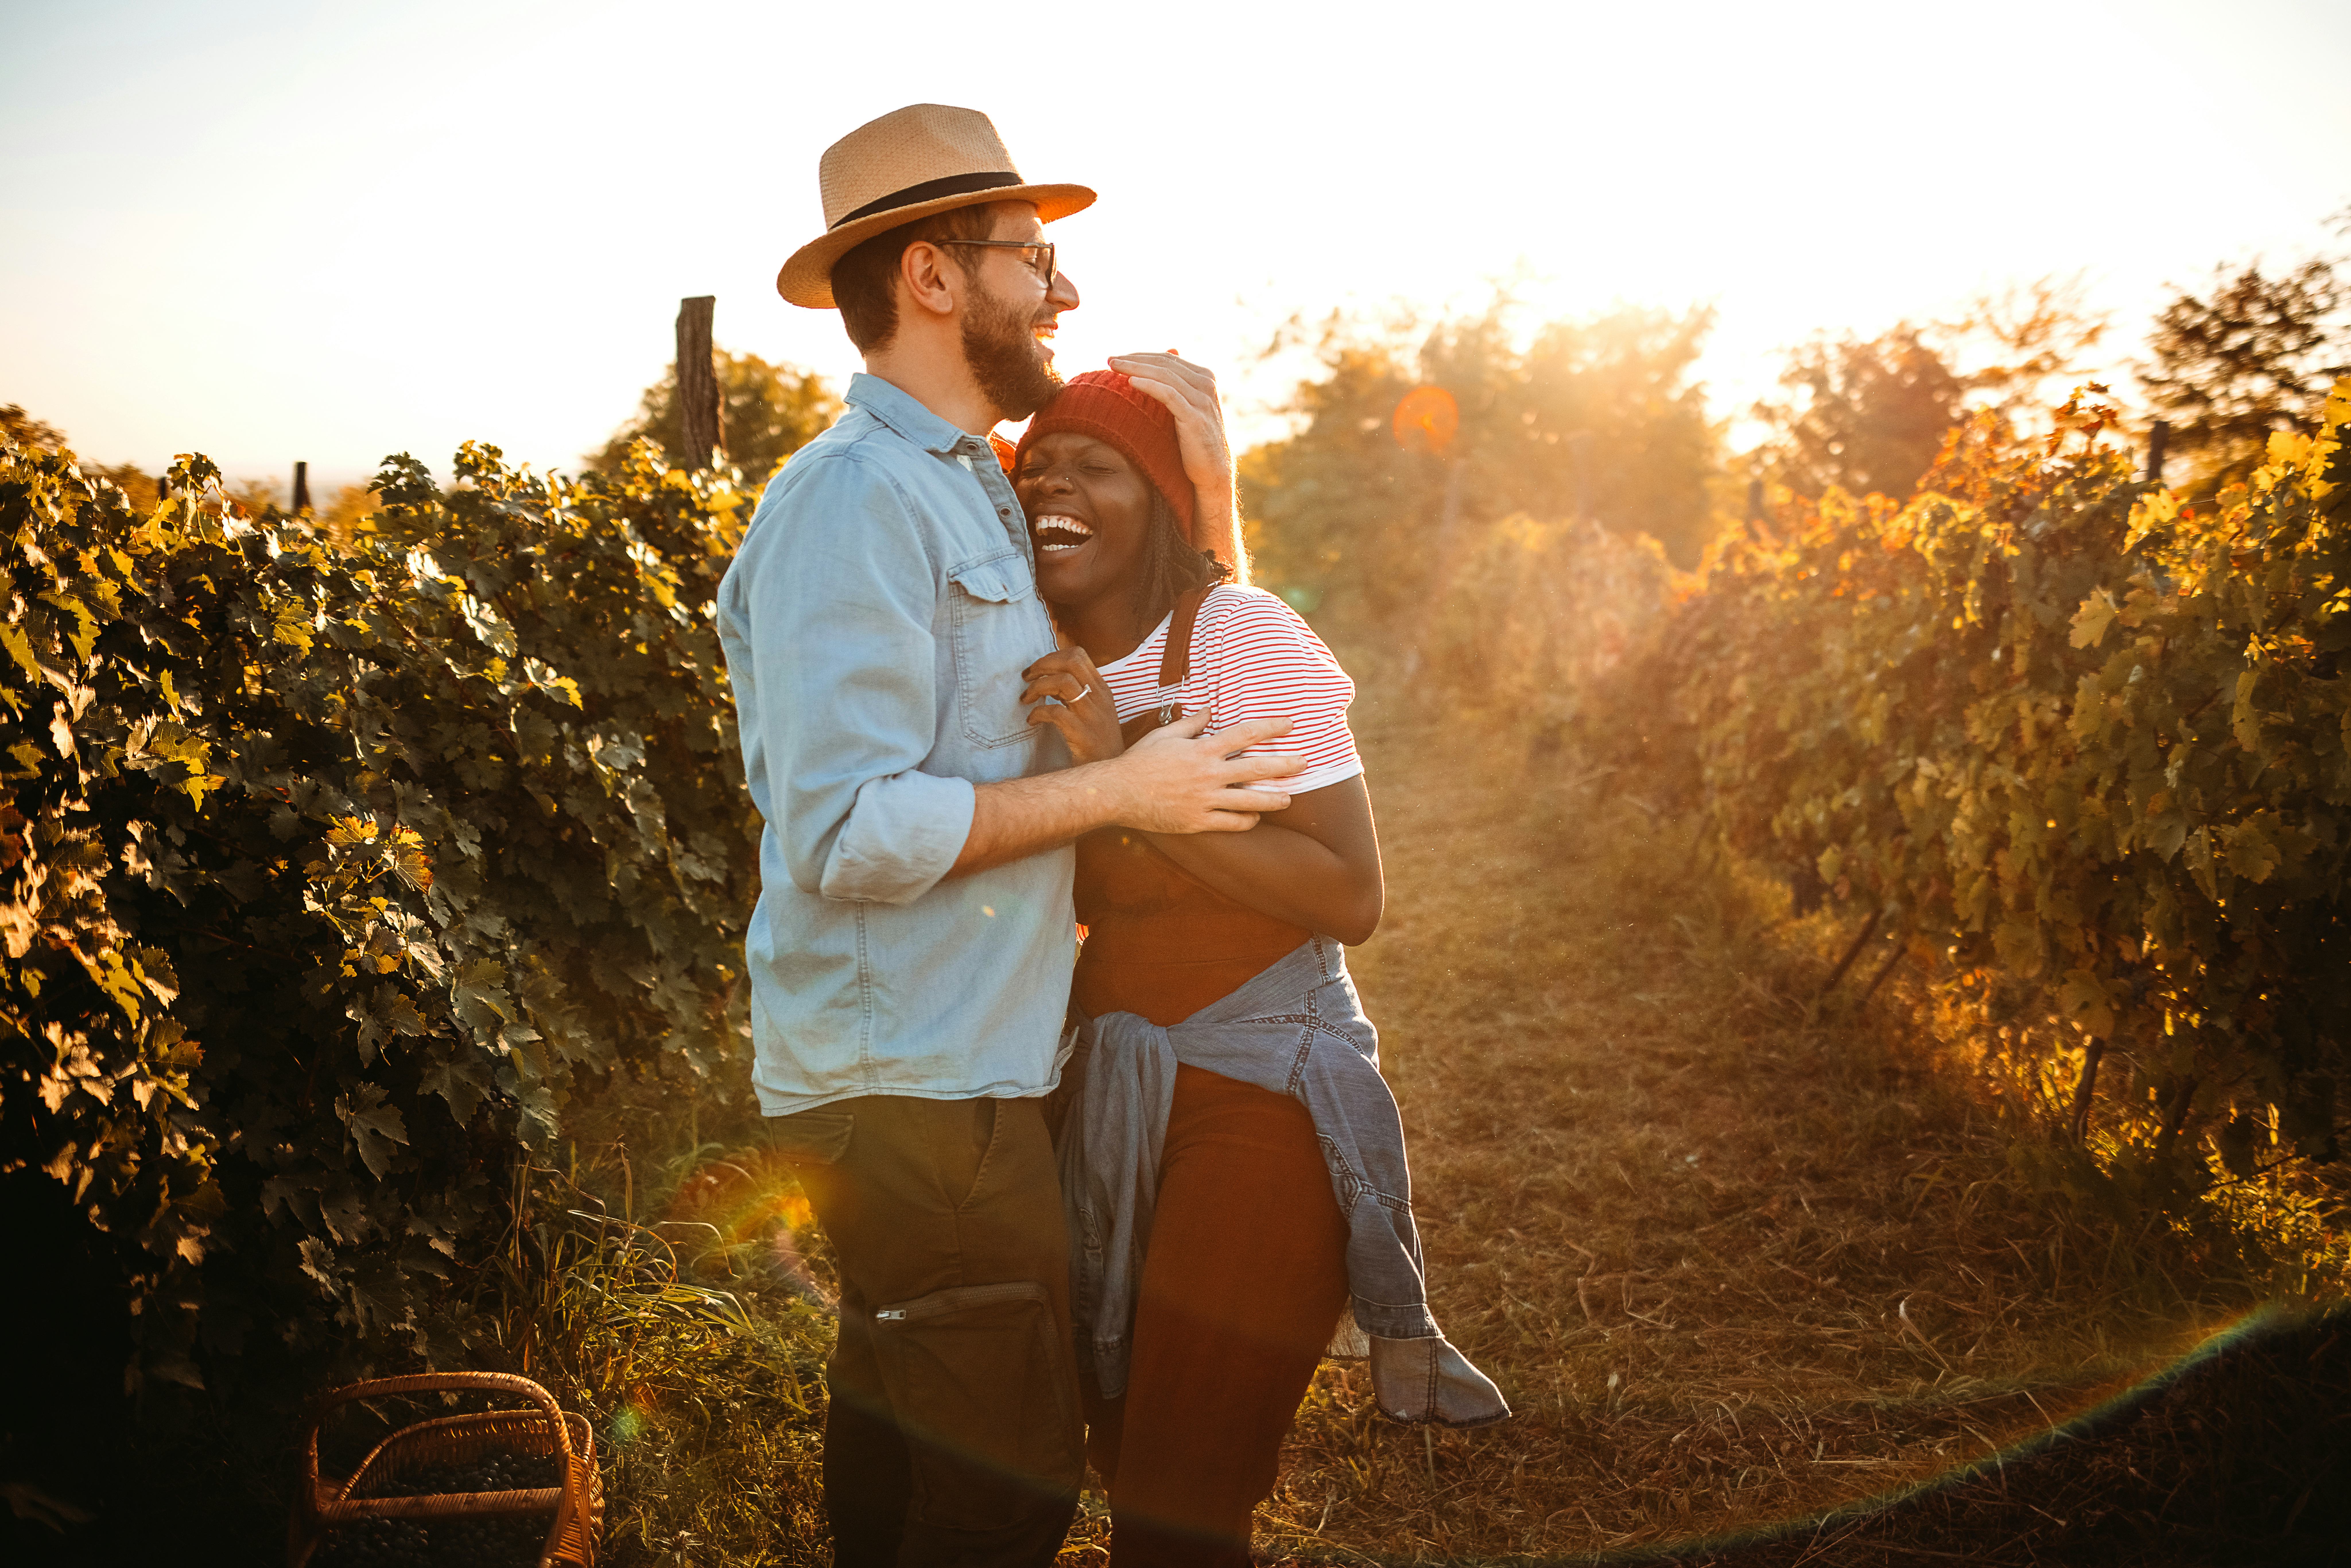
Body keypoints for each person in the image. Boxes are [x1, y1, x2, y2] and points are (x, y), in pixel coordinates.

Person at [720, 104, 1303, 1568]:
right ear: (931, 278)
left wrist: (1212, 507)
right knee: (999, 1492)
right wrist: (1116, 796)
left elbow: (1182, 662)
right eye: (1030, 258)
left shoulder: (969, 481)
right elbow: (848, 830)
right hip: (912, 1084)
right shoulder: (853, 505)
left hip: (967, 1060)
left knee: (912, 1450)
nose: (1065, 294)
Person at [1016, 371, 1510, 1567]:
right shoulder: (1041, 662)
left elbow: (1351, 893)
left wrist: (1126, 778)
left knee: (1180, 1496)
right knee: (1130, 1455)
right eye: (1037, 467)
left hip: (1262, 1098)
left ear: (1162, 505)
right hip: (1116, 1095)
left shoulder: (1236, 636)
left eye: (1094, 465)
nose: (1052, 487)